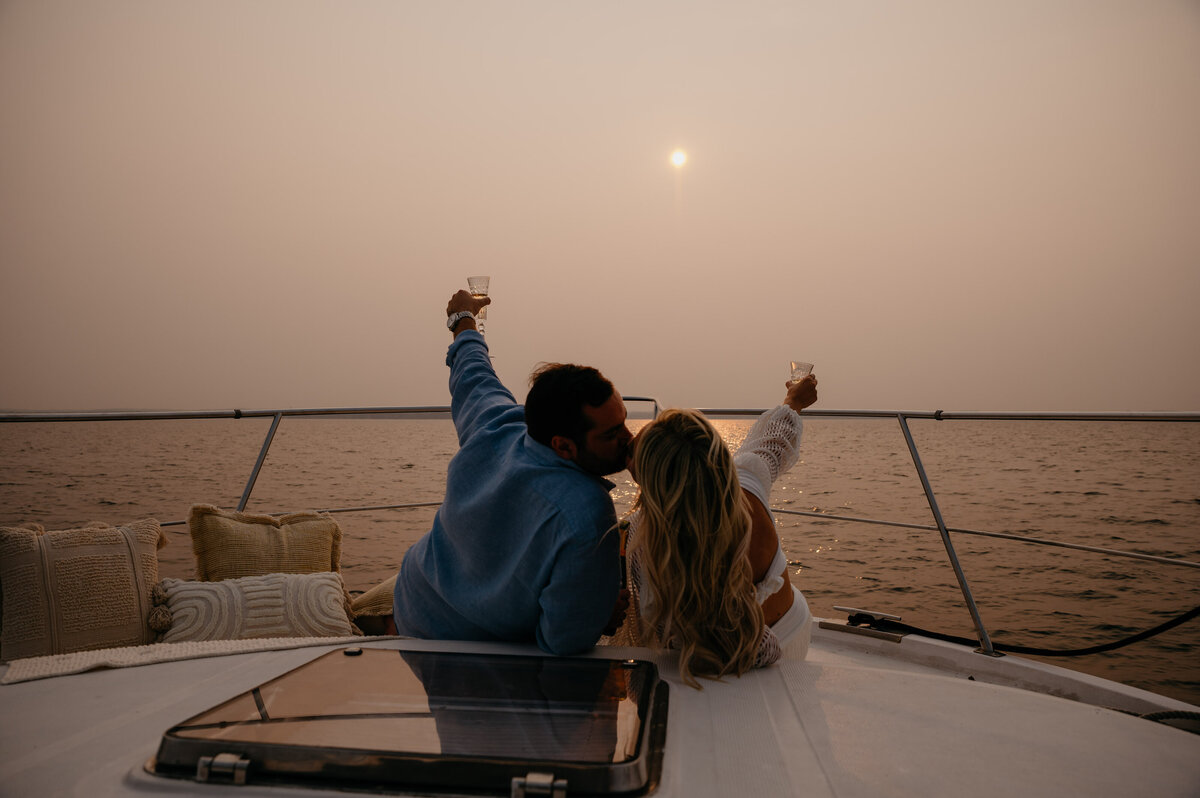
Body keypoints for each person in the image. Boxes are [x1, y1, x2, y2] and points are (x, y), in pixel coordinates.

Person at [392, 289, 633, 655]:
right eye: (613, 434)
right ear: (564, 446)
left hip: (413, 600)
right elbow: (563, 640)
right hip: (465, 652)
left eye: (625, 424)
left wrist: (462, 318)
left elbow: (472, 369)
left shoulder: (499, 424)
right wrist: (600, 615)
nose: (629, 440)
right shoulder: (587, 517)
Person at [613, 375, 818, 687]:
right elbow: (773, 439)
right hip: (791, 629)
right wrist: (794, 401)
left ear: (652, 483)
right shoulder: (746, 480)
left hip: (726, 649)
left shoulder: (646, 539)